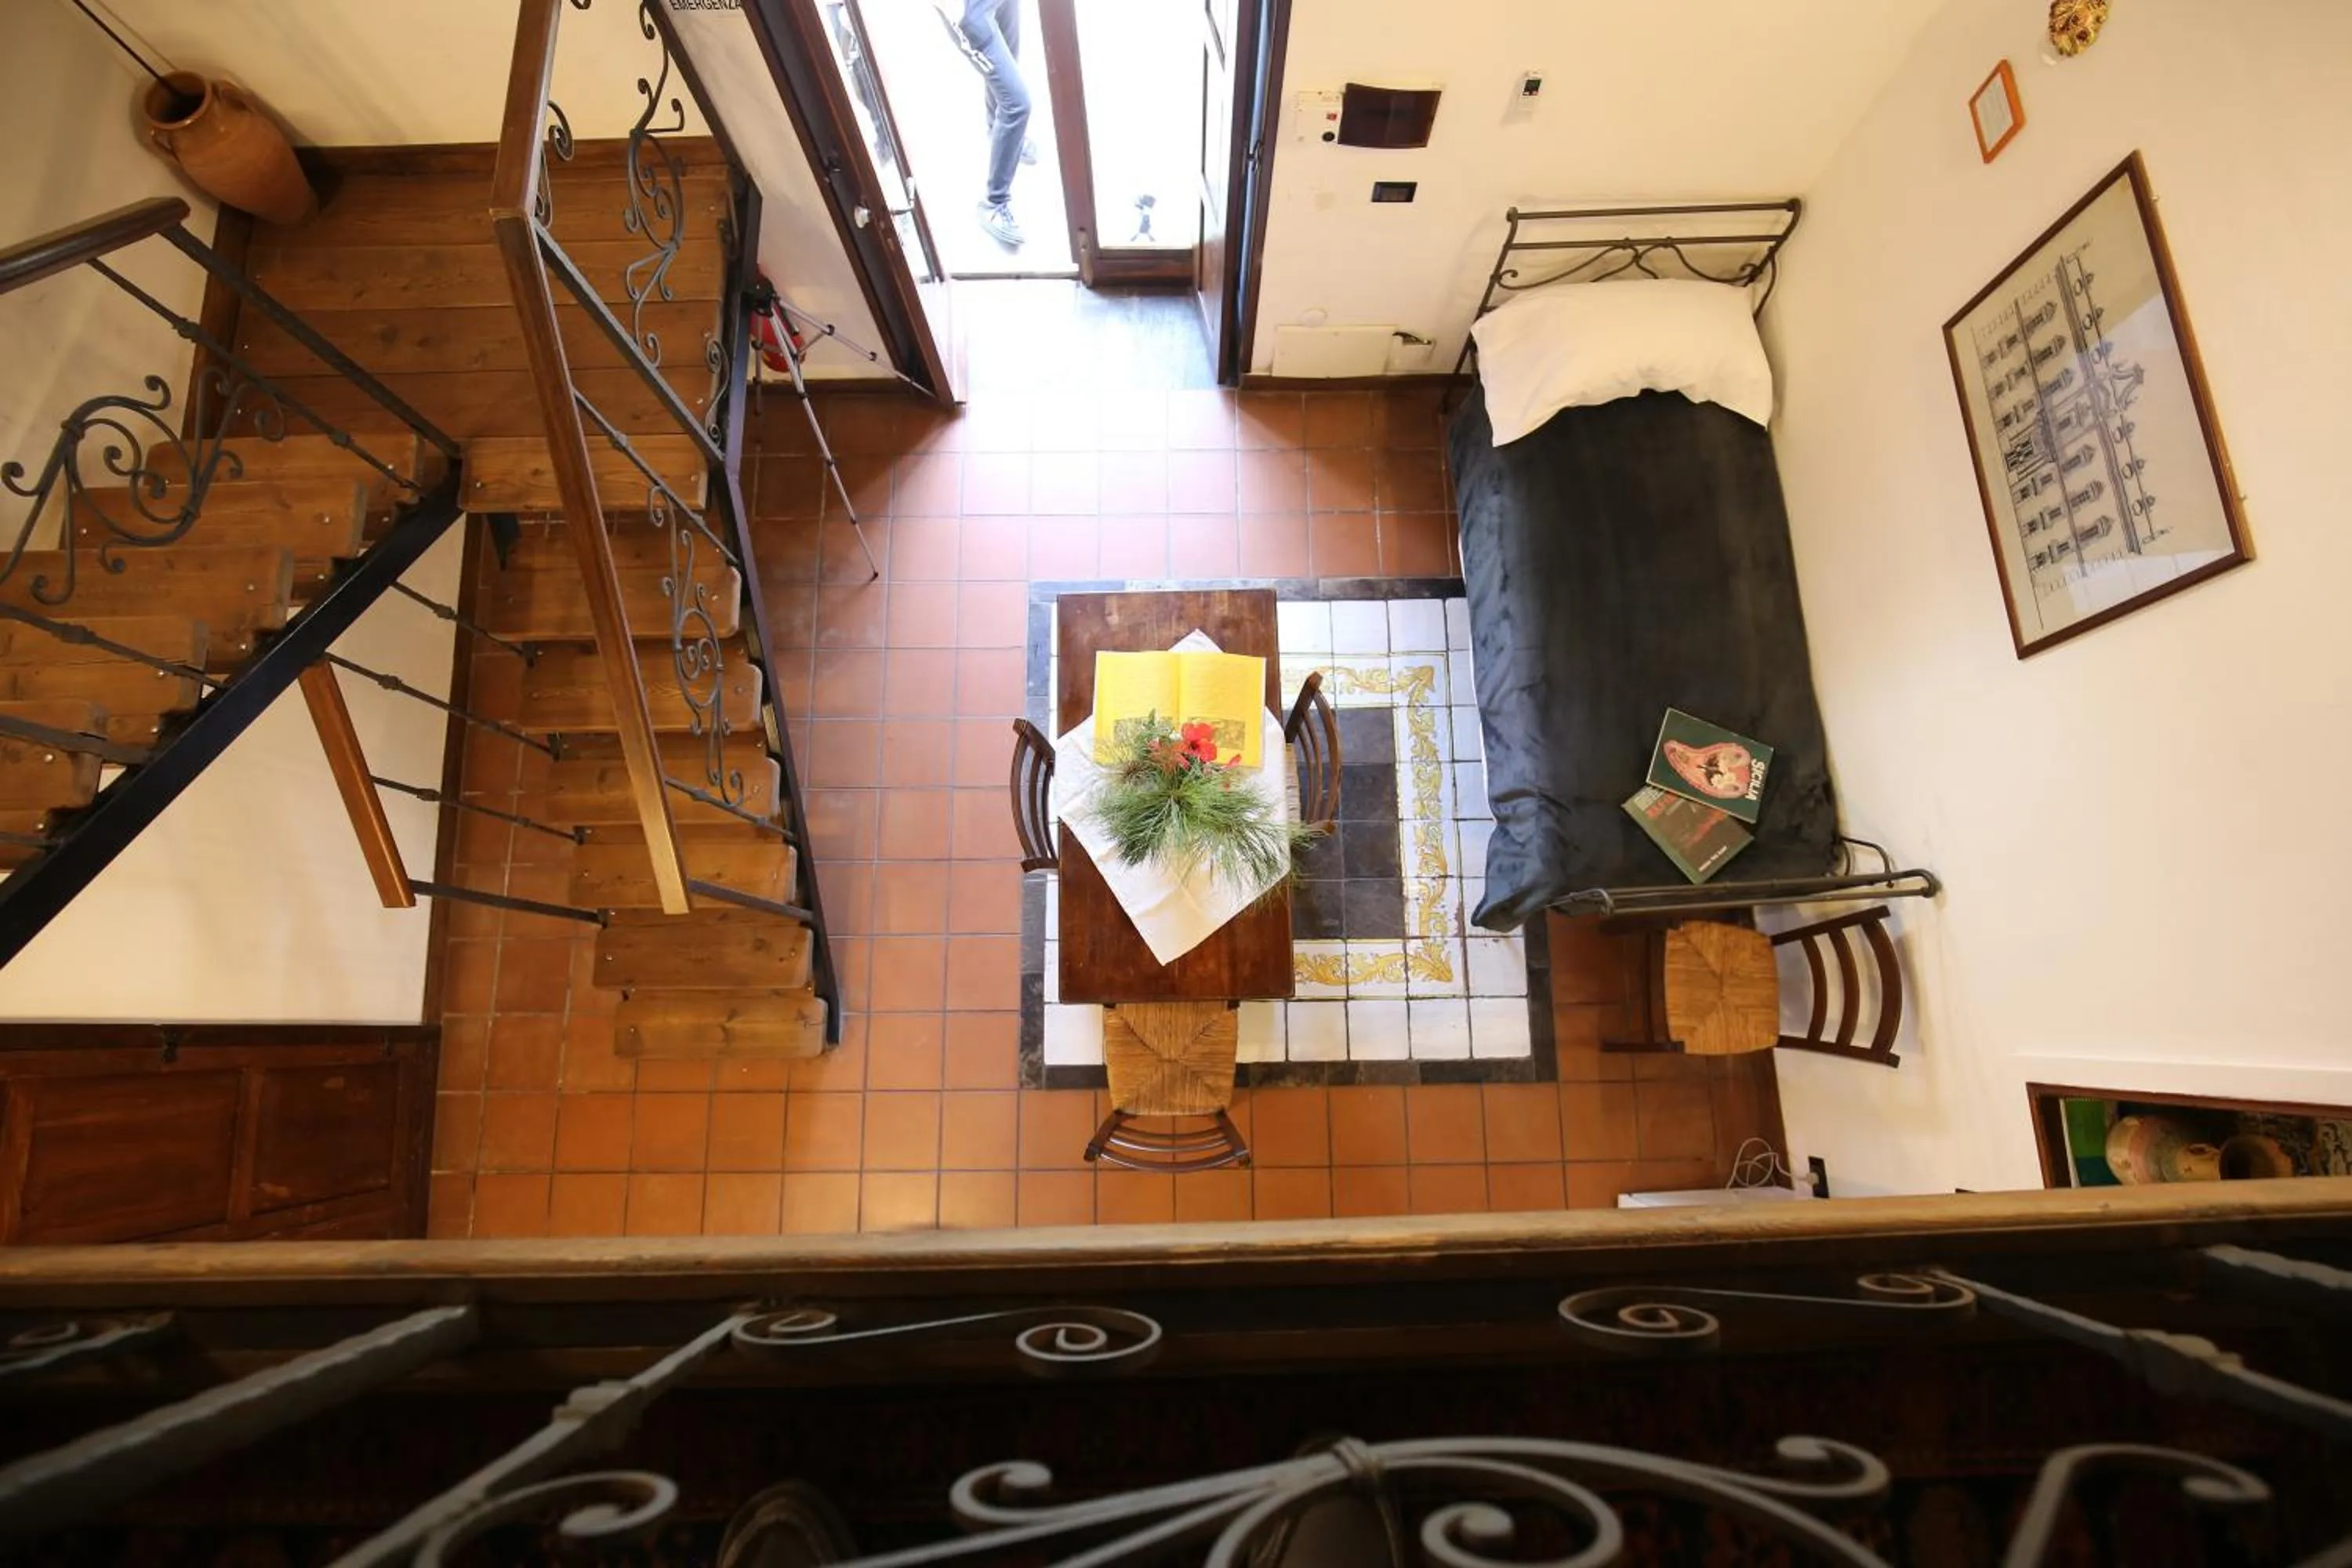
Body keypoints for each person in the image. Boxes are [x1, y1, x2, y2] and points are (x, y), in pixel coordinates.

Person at [958, 0, 1032, 247]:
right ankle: (994, 203)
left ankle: (1000, 133)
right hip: (969, 13)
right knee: (1017, 103)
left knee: (1006, 69)